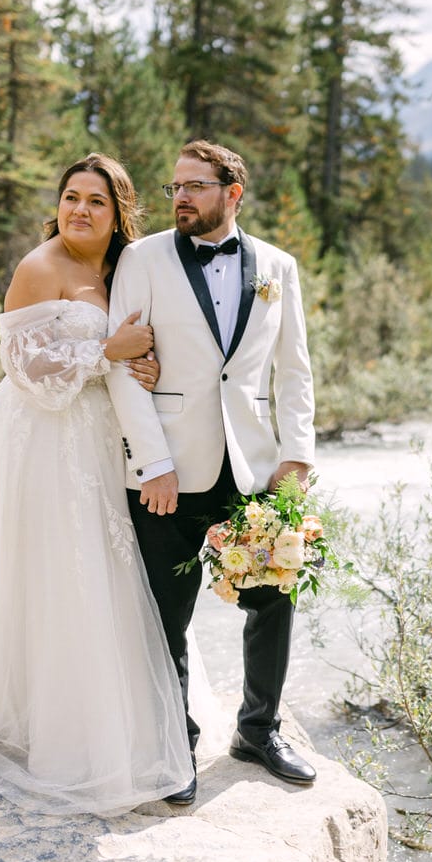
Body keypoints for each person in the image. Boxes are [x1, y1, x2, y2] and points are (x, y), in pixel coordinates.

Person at [0, 153, 196, 814]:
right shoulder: (39, 267)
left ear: (118, 212)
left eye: (95, 201)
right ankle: (53, 732)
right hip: (37, 437)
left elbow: (135, 348)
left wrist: (139, 366)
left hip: (95, 438)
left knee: (101, 571)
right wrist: (106, 354)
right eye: (71, 197)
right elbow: (28, 370)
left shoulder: (127, 269)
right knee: (55, 569)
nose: (79, 211)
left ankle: (116, 726)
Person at [106, 140, 317, 800]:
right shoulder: (141, 260)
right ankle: (178, 748)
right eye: (174, 186)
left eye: (195, 186)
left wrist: (296, 456)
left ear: (233, 193)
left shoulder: (277, 267)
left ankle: (258, 729)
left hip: (253, 470)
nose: (180, 197)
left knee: (272, 599)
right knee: (166, 618)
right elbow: (121, 366)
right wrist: (154, 463)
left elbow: (296, 371)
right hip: (167, 473)